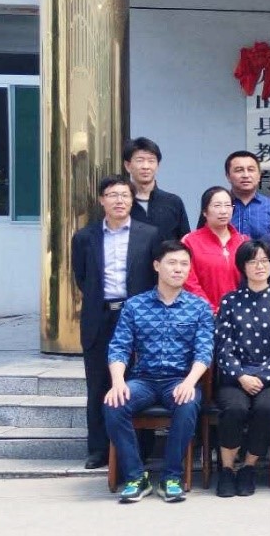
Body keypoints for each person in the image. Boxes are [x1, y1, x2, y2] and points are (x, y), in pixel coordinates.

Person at [103, 240, 213, 504]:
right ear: (156, 266)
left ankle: (171, 477)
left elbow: (204, 351)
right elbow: (119, 347)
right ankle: (135, 477)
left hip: (179, 380)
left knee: (187, 404)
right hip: (143, 380)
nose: (178, 269)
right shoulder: (135, 305)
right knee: (114, 404)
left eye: (184, 264)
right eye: (172, 263)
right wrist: (118, 382)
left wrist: (190, 382)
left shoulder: (199, 307)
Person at [71, 176, 159, 469]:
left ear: (133, 200)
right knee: (98, 383)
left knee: (137, 381)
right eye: (112, 195)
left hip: (137, 316)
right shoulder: (85, 237)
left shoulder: (149, 235)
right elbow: (82, 278)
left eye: (125, 195)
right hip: (100, 316)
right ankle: (98, 449)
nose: (119, 200)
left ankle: (141, 448)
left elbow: (154, 276)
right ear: (102, 200)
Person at [213, 240, 270, 497]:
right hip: (235, 377)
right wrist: (241, 376)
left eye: (265, 261)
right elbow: (223, 346)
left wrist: (261, 376)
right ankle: (227, 469)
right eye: (253, 261)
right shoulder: (230, 300)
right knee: (235, 408)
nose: (260, 266)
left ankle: (248, 467)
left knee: (265, 408)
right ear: (242, 266)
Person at [183, 186, 249, 312]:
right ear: (204, 211)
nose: (223, 211)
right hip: (202, 314)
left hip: (239, 314)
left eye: (228, 205)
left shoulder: (244, 241)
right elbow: (189, 282)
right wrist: (210, 309)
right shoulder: (190, 241)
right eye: (217, 206)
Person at [123, 137, 190, 242]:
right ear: (127, 166)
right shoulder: (120, 203)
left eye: (151, 161)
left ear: (157, 166)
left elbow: (185, 241)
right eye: (140, 160)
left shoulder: (173, 202)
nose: (146, 166)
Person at [225, 150, 270, 240]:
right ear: (228, 176)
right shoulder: (218, 206)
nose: (246, 175)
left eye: (251, 170)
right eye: (239, 170)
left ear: (259, 175)